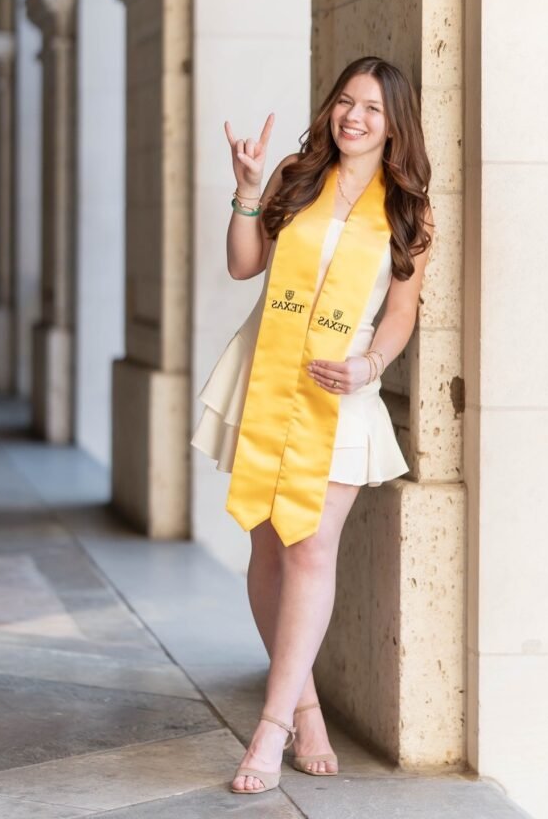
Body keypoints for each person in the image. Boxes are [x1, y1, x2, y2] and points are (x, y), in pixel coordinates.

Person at [191, 55, 434, 795]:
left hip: (338, 390)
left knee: (309, 552)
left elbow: (399, 315)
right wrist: (243, 192)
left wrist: (370, 367)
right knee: (267, 549)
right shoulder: (298, 173)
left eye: (371, 109)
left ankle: (267, 732)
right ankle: (305, 707)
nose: (352, 117)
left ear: (395, 127)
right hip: (267, 374)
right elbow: (244, 266)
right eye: (344, 102)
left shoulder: (407, 210)